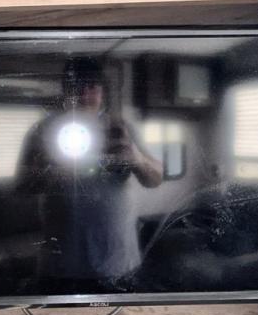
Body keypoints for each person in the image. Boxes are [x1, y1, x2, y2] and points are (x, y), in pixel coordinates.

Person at [15, 57, 162, 287]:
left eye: (92, 86)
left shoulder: (121, 128)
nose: (84, 94)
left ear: (102, 91)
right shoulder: (41, 130)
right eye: (76, 86)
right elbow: (20, 186)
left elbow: (156, 178)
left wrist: (136, 159)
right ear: (66, 91)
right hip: (61, 266)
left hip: (119, 263)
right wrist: (48, 173)